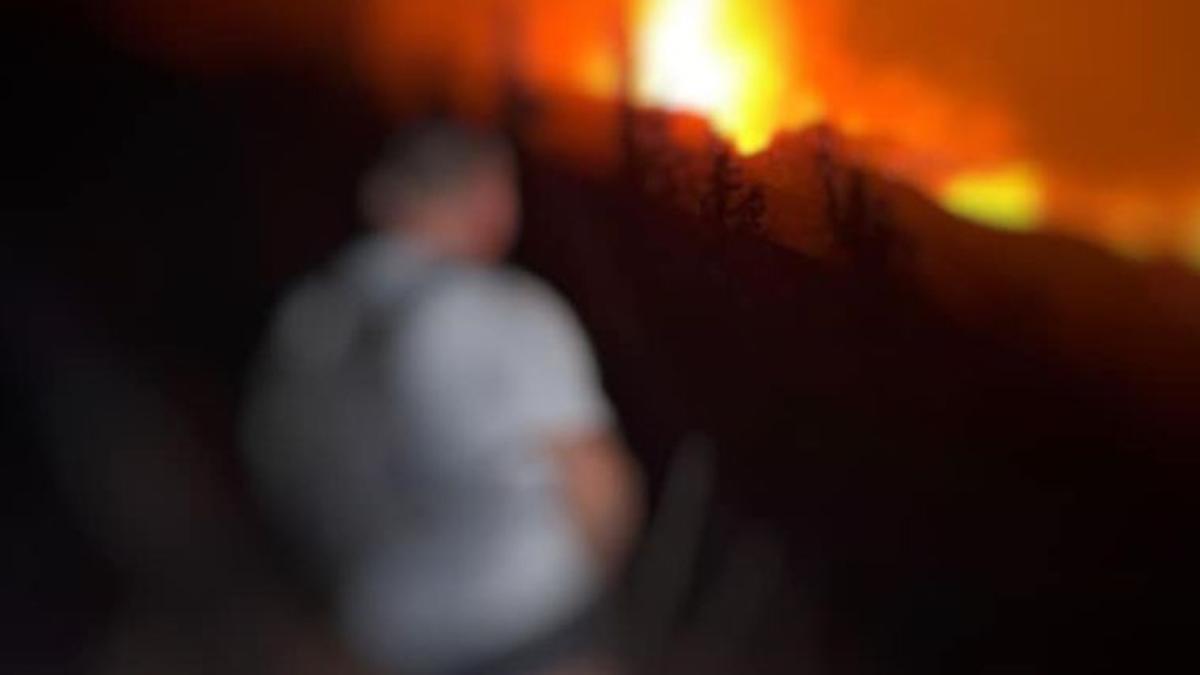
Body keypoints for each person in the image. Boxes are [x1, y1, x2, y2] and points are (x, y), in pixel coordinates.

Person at [241, 122, 642, 675]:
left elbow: (281, 463)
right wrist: (598, 600)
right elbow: (596, 484)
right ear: (491, 198)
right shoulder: (504, 310)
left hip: (386, 635)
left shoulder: (313, 315)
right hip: (530, 625)